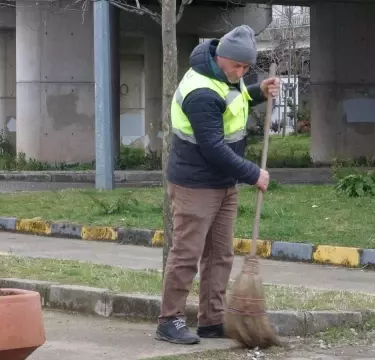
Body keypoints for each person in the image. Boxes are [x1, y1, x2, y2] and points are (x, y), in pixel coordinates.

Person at [155, 25, 280, 345]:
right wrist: (253, 173)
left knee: (220, 255)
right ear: (222, 57)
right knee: (187, 253)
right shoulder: (200, 91)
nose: (242, 72)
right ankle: (170, 320)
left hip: (223, 183)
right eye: (238, 66)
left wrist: (257, 91)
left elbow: (233, 104)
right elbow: (213, 146)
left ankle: (211, 320)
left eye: (247, 68)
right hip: (195, 184)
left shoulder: (227, 77)